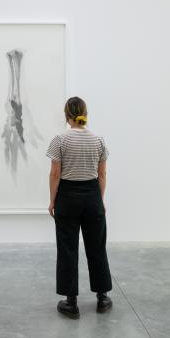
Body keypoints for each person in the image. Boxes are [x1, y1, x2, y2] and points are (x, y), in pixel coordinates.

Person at [46, 96, 113, 319]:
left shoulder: (60, 140)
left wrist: (52, 200)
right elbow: (102, 174)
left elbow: (55, 174)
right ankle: (102, 297)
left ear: (67, 116)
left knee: (68, 248)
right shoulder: (98, 140)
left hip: (67, 196)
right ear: (86, 113)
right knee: (97, 247)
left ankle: (71, 302)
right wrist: (99, 200)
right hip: (92, 195)